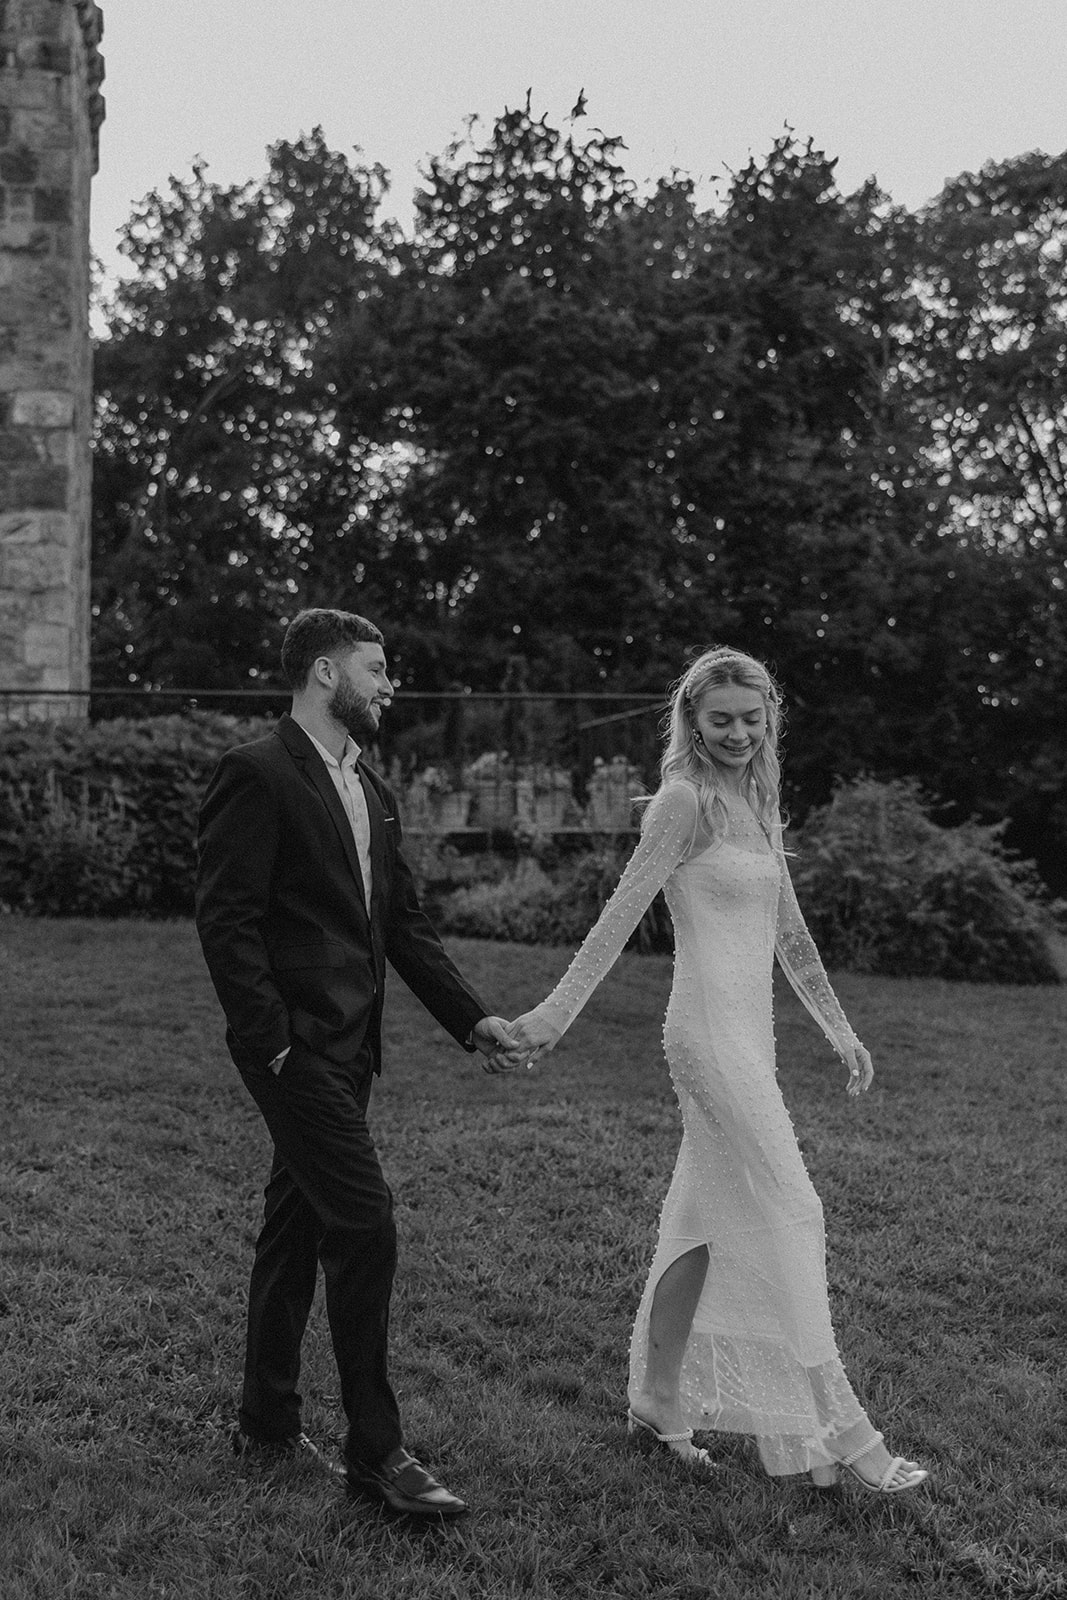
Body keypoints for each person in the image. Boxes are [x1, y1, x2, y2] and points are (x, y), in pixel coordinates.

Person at [508, 647, 929, 1495]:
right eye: (720, 719)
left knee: (698, 1223)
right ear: (691, 722)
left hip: (752, 1040)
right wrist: (551, 1017)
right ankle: (842, 1428)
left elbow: (791, 935)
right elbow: (617, 915)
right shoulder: (683, 801)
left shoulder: (756, 801)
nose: (737, 734)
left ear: (769, 718)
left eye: (751, 718)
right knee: (793, 1206)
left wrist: (839, 1030)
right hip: (701, 1037)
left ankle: (658, 1400)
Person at [195, 607, 523, 1519]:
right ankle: (378, 1452)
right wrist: (273, 1041)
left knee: (293, 1228)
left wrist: (473, 1021)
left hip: (353, 1050)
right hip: (293, 1051)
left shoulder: (371, 786)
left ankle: (264, 1420)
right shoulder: (257, 774)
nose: (389, 684)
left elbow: (401, 926)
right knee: (366, 1224)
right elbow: (226, 922)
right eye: (376, 669)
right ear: (325, 674)